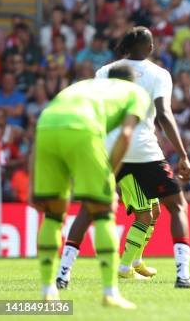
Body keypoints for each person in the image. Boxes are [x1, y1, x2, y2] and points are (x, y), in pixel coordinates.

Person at [55, 27, 190, 290]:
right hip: (142, 149)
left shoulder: (104, 71)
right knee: (177, 206)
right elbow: (163, 114)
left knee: (89, 209)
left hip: (107, 149)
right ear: (150, 48)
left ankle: (63, 274)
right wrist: (182, 154)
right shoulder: (159, 74)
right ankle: (182, 275)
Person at [31, 64, 150, 308]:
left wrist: (34, 183)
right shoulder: (135, 93)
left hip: (46, 127)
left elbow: (43, 126)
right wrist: (109, 174)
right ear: (132, 82)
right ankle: (110, 293)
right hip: (83, 129)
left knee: (53, 215)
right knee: (103, 211)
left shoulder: (83, 86)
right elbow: (127, 134)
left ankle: (47, 291)